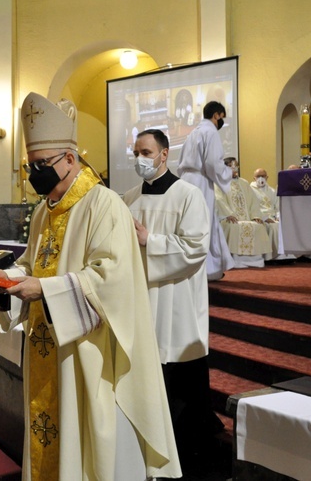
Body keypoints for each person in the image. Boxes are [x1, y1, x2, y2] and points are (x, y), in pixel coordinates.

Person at [0, 93, 180, 480]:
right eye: (32, 165)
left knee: (90, 449)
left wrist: (44, 290)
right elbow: (33, 263)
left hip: (88, 354)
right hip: (49, 344)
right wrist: (8, 279)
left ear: (71, 160)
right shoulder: (46, 209)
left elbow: (112, 280)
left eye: (44, 165)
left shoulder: (104, 205)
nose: (36, 173)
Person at [122, 129, 221, 470]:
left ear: (164, 155)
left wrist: (151, 240)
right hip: (139, 299)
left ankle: (185, 455)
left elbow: (195, 249)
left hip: (176, 302)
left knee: (179, 384)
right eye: (136, 152)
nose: (140, 158)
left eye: (146, 152)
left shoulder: (188, 195)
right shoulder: (128, 198)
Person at [177, 100, 235, 280]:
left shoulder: (193, 132)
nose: (221, 122)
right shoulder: (210, 132)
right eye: (222, 118)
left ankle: (190, 266)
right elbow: (212, 163)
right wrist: (228, 172)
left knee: (189, 224)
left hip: (186, 180)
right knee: (205, 223)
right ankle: (209, 270)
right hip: (201, 181)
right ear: (216, 115)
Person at [214, 157, 271, 268]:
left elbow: (253, 201)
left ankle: (256, 260)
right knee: (234, 227)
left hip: (246, 218)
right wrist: (228, 214)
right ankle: (235, 260)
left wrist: (255, 216)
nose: (234, 169)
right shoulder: (219, 183)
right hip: (228, 218)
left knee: (258, 226)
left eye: (236, 167)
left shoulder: (244, 183)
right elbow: (218, 199)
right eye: (231, 166)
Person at [250, 168, 282, 260]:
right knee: (273, 227)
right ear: (254, 178)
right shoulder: (250, 190)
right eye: (258, 176)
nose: (261, 178)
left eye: (263, 176)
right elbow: (251, 207)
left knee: (281, 225)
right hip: (259, 218)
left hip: (273, 217)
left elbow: (278, 206)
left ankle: (284, 256)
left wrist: (278, 217)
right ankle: (272, 256)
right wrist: (263, 218)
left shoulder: (272, 191)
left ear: (267, 177)